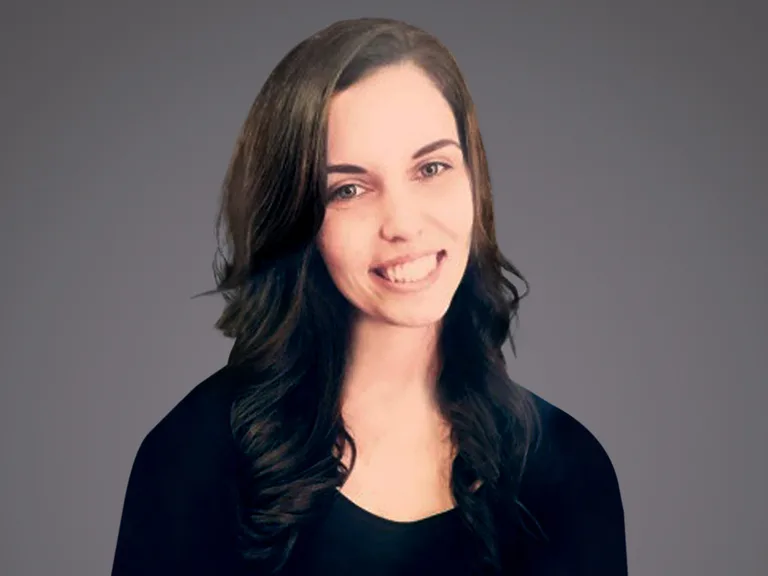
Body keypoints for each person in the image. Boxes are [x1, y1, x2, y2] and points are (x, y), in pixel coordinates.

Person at [110, 17, 627, 576]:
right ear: (296, 217)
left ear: (473, 179)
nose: (403, 224)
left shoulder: (566, 469)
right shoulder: (192, 459)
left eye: (431, 168)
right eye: (349, 189)